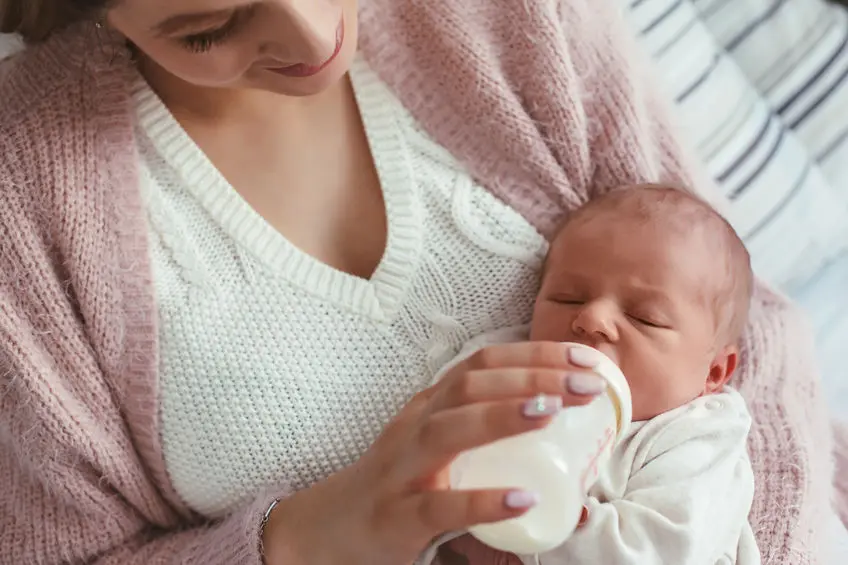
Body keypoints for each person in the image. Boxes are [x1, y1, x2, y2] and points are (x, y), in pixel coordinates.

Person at [0, 1, 835, 564]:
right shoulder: (28, 194)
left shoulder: (503, 20)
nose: (310, 33)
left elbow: (741, 326)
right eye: (208, 28)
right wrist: (306, 541)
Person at [435, 185, 759, 564]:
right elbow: (428, 434)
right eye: (568, 297)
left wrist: (535, 532)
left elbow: (661, 551)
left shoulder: (696, 435)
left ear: (714, 371)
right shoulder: (507, 361)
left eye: (645, 318)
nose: (592, 318)